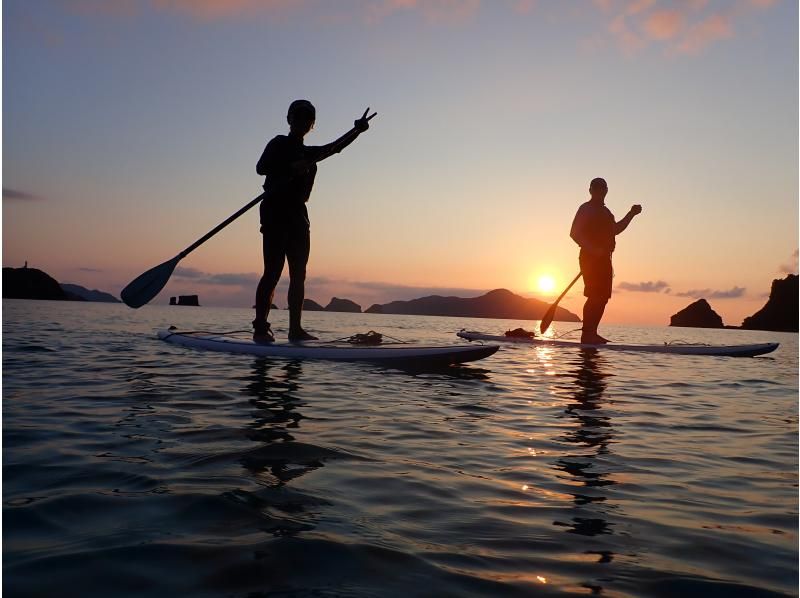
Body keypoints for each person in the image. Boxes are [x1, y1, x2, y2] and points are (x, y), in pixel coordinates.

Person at [253, 100, 376, 343]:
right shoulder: (278, 143)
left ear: (312, 124)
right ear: (289, 119)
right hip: (275, 212)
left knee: (299, 275)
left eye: (308, 119)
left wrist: (357, 131)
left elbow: (334, 148)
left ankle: (295, 330)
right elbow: (261, 168)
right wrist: (289, 167)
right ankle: (260, 327)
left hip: (298, 216)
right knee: (273, 271)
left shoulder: (311, 154)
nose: (303, 122)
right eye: (298, 117)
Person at [570, 177, 642, 344]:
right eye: (596, 188)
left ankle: (592, 332)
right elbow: (575, 233)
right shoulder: (586, 209)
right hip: (589, 258)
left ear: (606, 190)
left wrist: (631, 214)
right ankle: (587, 334)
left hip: (604, 260)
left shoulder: (606, 212)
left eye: (602, 188)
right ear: (590, 190)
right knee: (594, 295)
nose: (600, 191)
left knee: (602, 297)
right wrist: (593, 250)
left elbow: (615, 230)